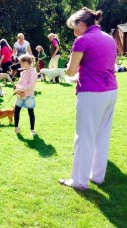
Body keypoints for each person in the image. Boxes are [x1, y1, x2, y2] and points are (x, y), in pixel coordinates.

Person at [59, 7, 118, 190]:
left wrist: (70, 62)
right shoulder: (109, 38)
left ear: (82, 24)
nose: (74, 32)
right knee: (102, 135)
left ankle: (79, 180)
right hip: (111, 91)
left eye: (74, 27)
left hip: (92, 91)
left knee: (84, 136)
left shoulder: (82, 40)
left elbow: (70, 71)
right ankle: (97, 176)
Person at [14, 54, 37, 136]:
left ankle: (32, 129)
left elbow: (31, 85)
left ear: (26, 63)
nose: (20, 65)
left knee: (30, 112)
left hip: (28, 96)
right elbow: (19, 83)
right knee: (16, 111)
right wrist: (18, 90)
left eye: (21, 63)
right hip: (20, 95)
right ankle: (16, 128)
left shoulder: (33, 72)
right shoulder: (23, 73)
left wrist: (21, 90)